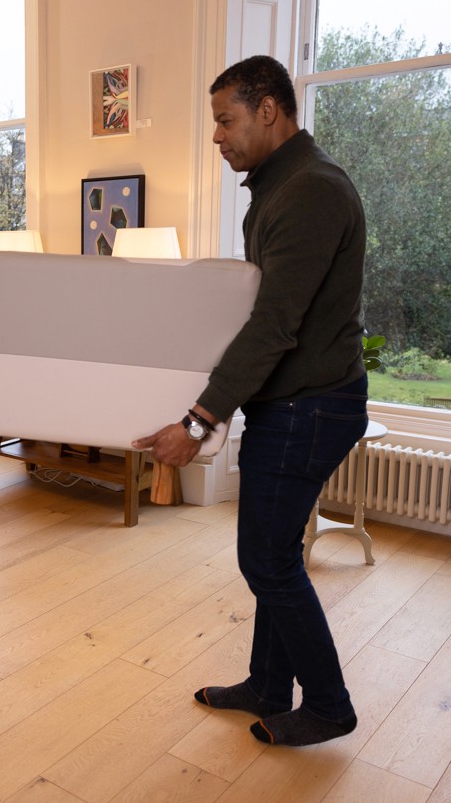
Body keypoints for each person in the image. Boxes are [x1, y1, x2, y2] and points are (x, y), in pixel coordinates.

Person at [133, 55, 369, 747]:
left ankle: (328, 703)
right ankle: (269, 685)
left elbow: (274, 325)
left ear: (269, 110)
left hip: (310, 406)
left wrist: (198, 421)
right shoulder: (283, 186)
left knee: (266, 561)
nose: (217, 136)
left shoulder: (310, 191)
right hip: (295, 401)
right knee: (275, 554)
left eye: (224, 120)